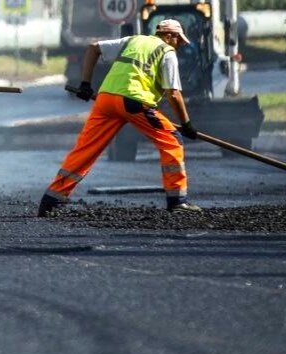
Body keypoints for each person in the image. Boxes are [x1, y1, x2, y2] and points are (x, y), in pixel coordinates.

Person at [38, 19, 203, 216]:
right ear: (170, 36)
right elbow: (173, 94)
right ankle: (177, 201)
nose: (179, 46)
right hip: (134, 102)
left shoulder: (133, 41)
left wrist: (85, 84)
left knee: (86, 149)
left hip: (106, 100)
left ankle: (52, 199)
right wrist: (186, 123)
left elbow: (93, 48)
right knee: (172, 140)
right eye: (179, 41)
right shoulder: (167, 52)